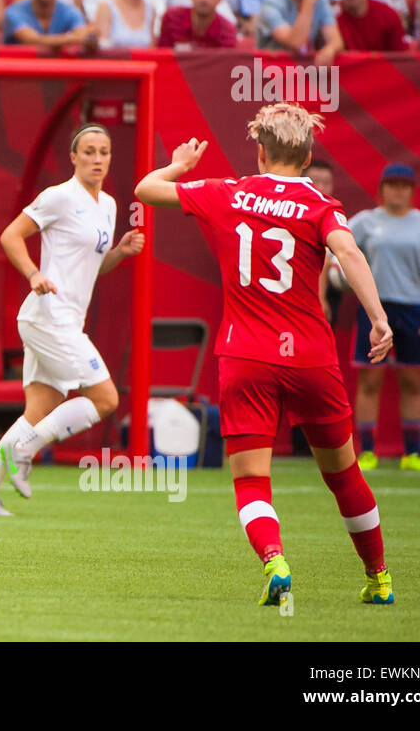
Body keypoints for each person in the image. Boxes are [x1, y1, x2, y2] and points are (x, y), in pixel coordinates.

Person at [135, 101, 396, 606]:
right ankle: (378, 577)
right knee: (343, 475)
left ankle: (275, 560)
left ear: (259, 150)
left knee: (252, 478)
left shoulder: (226, 193)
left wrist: (180, 167)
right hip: (310, 357)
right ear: (307, 156)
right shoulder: (322, 206)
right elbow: (349, 253)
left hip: (245, 354)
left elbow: (145, 189)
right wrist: (379, 318)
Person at [0, 124, 143, 515]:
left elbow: (91, 269)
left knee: (40, 410)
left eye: (104, 152)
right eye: (90, 152)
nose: (98, 159)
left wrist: (119, 253)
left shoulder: (109, 205)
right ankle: (26, 450)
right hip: (48, 316)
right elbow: (11, 236)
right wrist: (33, 274)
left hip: (63, 320)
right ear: (73, 158)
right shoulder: (59, 196)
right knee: (106, 398)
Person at [342, 163, 420, 475]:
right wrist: (335, 272)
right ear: (381, 189)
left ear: (413, 191)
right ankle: (368, 453)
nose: (398, 190)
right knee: (370, 380)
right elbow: (340, 252)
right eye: (392, 184)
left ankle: (412, 454)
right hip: (375, 308)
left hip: (414, 309)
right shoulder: (364, 221)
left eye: (404, 185)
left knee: (412, 381)